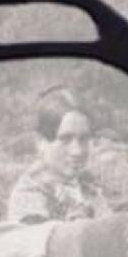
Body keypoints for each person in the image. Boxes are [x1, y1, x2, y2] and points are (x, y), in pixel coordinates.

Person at [7, 87, 108, 224]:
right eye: (65, 139)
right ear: (40, 142)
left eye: (83, 139)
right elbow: (41, 236)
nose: (77, 151)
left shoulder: (90, 188)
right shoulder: (29, 195)